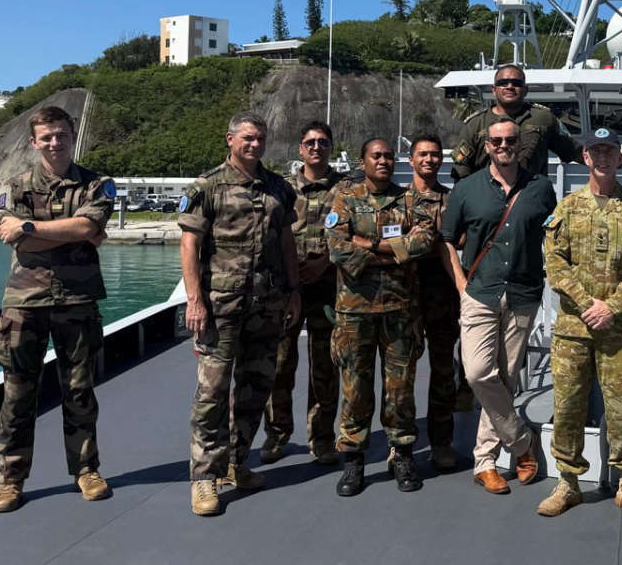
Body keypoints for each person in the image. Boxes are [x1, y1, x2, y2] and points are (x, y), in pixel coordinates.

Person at [0, 105, 116, 513]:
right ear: (34, 142)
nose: (55, 142)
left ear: (71, 135)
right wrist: (75, 233)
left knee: (79, 390)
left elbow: (84, 228)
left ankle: (85, 470)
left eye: (61, 134)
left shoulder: (97, 184)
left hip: (77, 302)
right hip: (24, 303)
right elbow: (21, 240)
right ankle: (11, 479)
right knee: (17, 393)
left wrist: (31, 227)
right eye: (46, 137)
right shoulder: (14, 185)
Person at [179, 111, 300, 517]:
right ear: (230, 139)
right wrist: (195, 300)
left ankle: (236, 462)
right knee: (211, 394)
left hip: (265, 305)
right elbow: (189, 245)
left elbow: (286, 244)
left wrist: (293, 292)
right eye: (247, 138)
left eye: (261, 138)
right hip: (219, 307)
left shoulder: (279, 188)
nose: (255, 145)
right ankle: (203, 479)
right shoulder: (208, 186)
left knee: (255, 388)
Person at [539, 127, 622, 520]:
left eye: (610, 151)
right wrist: (586, 301)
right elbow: (555, 263)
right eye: (596, 152)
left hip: (620, 328)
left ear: (620, 157)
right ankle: (568, 482)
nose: (604, 158)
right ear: (586, 158)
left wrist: (612, 306)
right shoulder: (568, 207)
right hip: (574, 327)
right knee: (569, 404)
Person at [441, 117, 558, 494]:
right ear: (487, 146)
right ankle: (523, 443)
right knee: (477, 373)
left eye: (510, 140)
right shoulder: (467, 189)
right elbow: (446, 239)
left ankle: (485, 461)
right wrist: (460, 282)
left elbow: (552, 236)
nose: (504, 145)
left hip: (523, 293)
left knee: (505, 379)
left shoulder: (541, 188)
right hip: (481, 291)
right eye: (497, 141)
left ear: (518, 144)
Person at [326, 138, 440, 496]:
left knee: (400, 389)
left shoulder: (409, 200)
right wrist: (395, 252)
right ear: (363, 161)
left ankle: (402, 453)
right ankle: (354, 461)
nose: (384, 161)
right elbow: (336, 248)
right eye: (377, 156)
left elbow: (424, 241)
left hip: (400, 310)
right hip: (354, 311)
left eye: (389, 156)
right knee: (355, 389)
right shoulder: (346, 199)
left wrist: (369, 244)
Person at [261, 120, 344, 466]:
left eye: (323, 142)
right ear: (300, 149)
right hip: (286, 289)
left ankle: (322, 437)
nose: (316, 148)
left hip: (328, 287)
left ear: (330, 147)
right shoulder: (281, 189)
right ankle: (277, 435)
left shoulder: (346, 189)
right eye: (310, 142)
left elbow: (352, 233)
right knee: (280, 364)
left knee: (324, 367)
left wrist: (325, 261)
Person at [403, 133, 469, 472]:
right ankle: (401, 444)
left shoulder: (453, 198)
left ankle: (441, 442)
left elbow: (462, 237)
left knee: (443, 370)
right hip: (405, 297)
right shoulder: (398, 200)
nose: (429, 160)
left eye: (434, 155)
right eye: (422, 154)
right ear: (411, 159)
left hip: (443, 295)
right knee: (400, 375)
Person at [450, 63, 581, 179]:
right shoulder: (475, 124)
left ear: (525, 90)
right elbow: (461, 167)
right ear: (494, 90)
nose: (510, 86)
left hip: (531, 198)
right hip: (488, 201)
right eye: (503, 83)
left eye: (516, 83)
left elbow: (575, 152)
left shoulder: (543, 118)